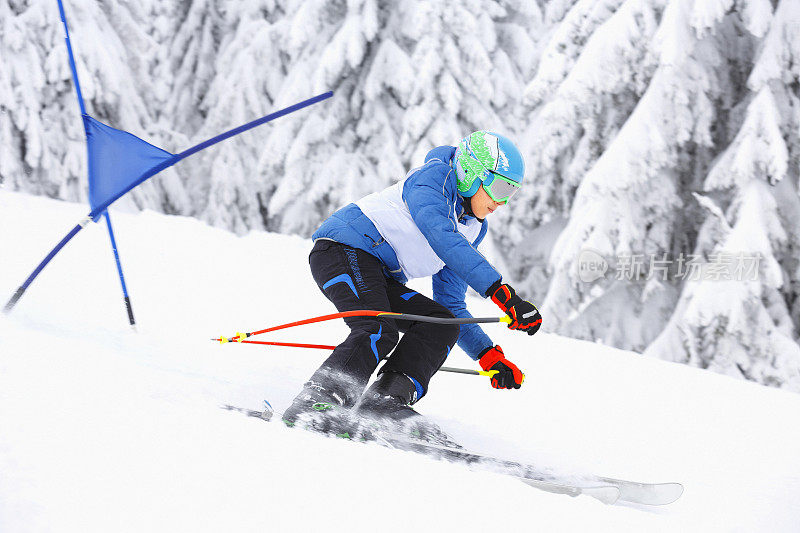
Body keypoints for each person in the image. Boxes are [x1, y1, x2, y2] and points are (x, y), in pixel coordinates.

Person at [282, 131, 542, 437]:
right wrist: (503, 295)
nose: (501, 202)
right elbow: (442, 237)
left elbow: (452, 304)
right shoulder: (433, 181)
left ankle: (385, 402)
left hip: (377, 274)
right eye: (498, 187)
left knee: (441, 322)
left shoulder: (472, 228)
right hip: (342, 250)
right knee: (380, 326)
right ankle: (318, 400)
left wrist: (488, 355)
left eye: (510, 192)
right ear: (472, 173)